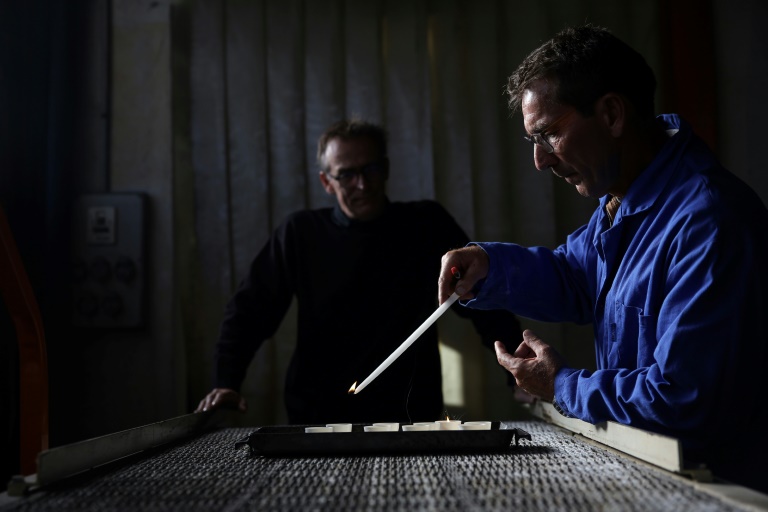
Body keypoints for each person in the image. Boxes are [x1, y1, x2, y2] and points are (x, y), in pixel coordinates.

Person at [438, 25, 768, 492]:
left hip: (717, 492)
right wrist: (488, 267)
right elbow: (577, 278)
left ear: (612, 114)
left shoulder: (708, 221)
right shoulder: (622, 203)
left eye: (549, 134)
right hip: (656, 483)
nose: (540, 160)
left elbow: (682, 402)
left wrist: (562, 387)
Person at [196, 119, 522, 424]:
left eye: (371, 169)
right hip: (316, 416)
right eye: (347, 174)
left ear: (387, 168)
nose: (362, 184)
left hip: (411, 414)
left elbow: (483, 303)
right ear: (327, 181)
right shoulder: (300, 233)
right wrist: (227, 382)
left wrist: (517, 373)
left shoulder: (427, 225)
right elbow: (250, 311)